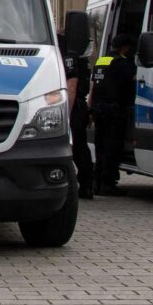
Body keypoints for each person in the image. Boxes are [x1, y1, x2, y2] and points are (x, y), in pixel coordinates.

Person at [89, 35, 136, 194]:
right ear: (124, 48)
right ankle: (107, 183)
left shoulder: (101, 61)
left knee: (100, 146)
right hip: (114, 111)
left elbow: (94, 87)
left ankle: (97, 182)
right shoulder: (123, 64)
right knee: (112, 147)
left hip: (98, 109)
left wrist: (91, 109)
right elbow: (135, 80)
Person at [64, 42, 94, 199]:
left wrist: (66, 114)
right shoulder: (79, 57)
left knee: (77, 147)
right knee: (80, 147)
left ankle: (86, 184)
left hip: (74, 106)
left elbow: (72, 86)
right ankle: (86, 184)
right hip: (79, 106)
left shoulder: (70, 55)